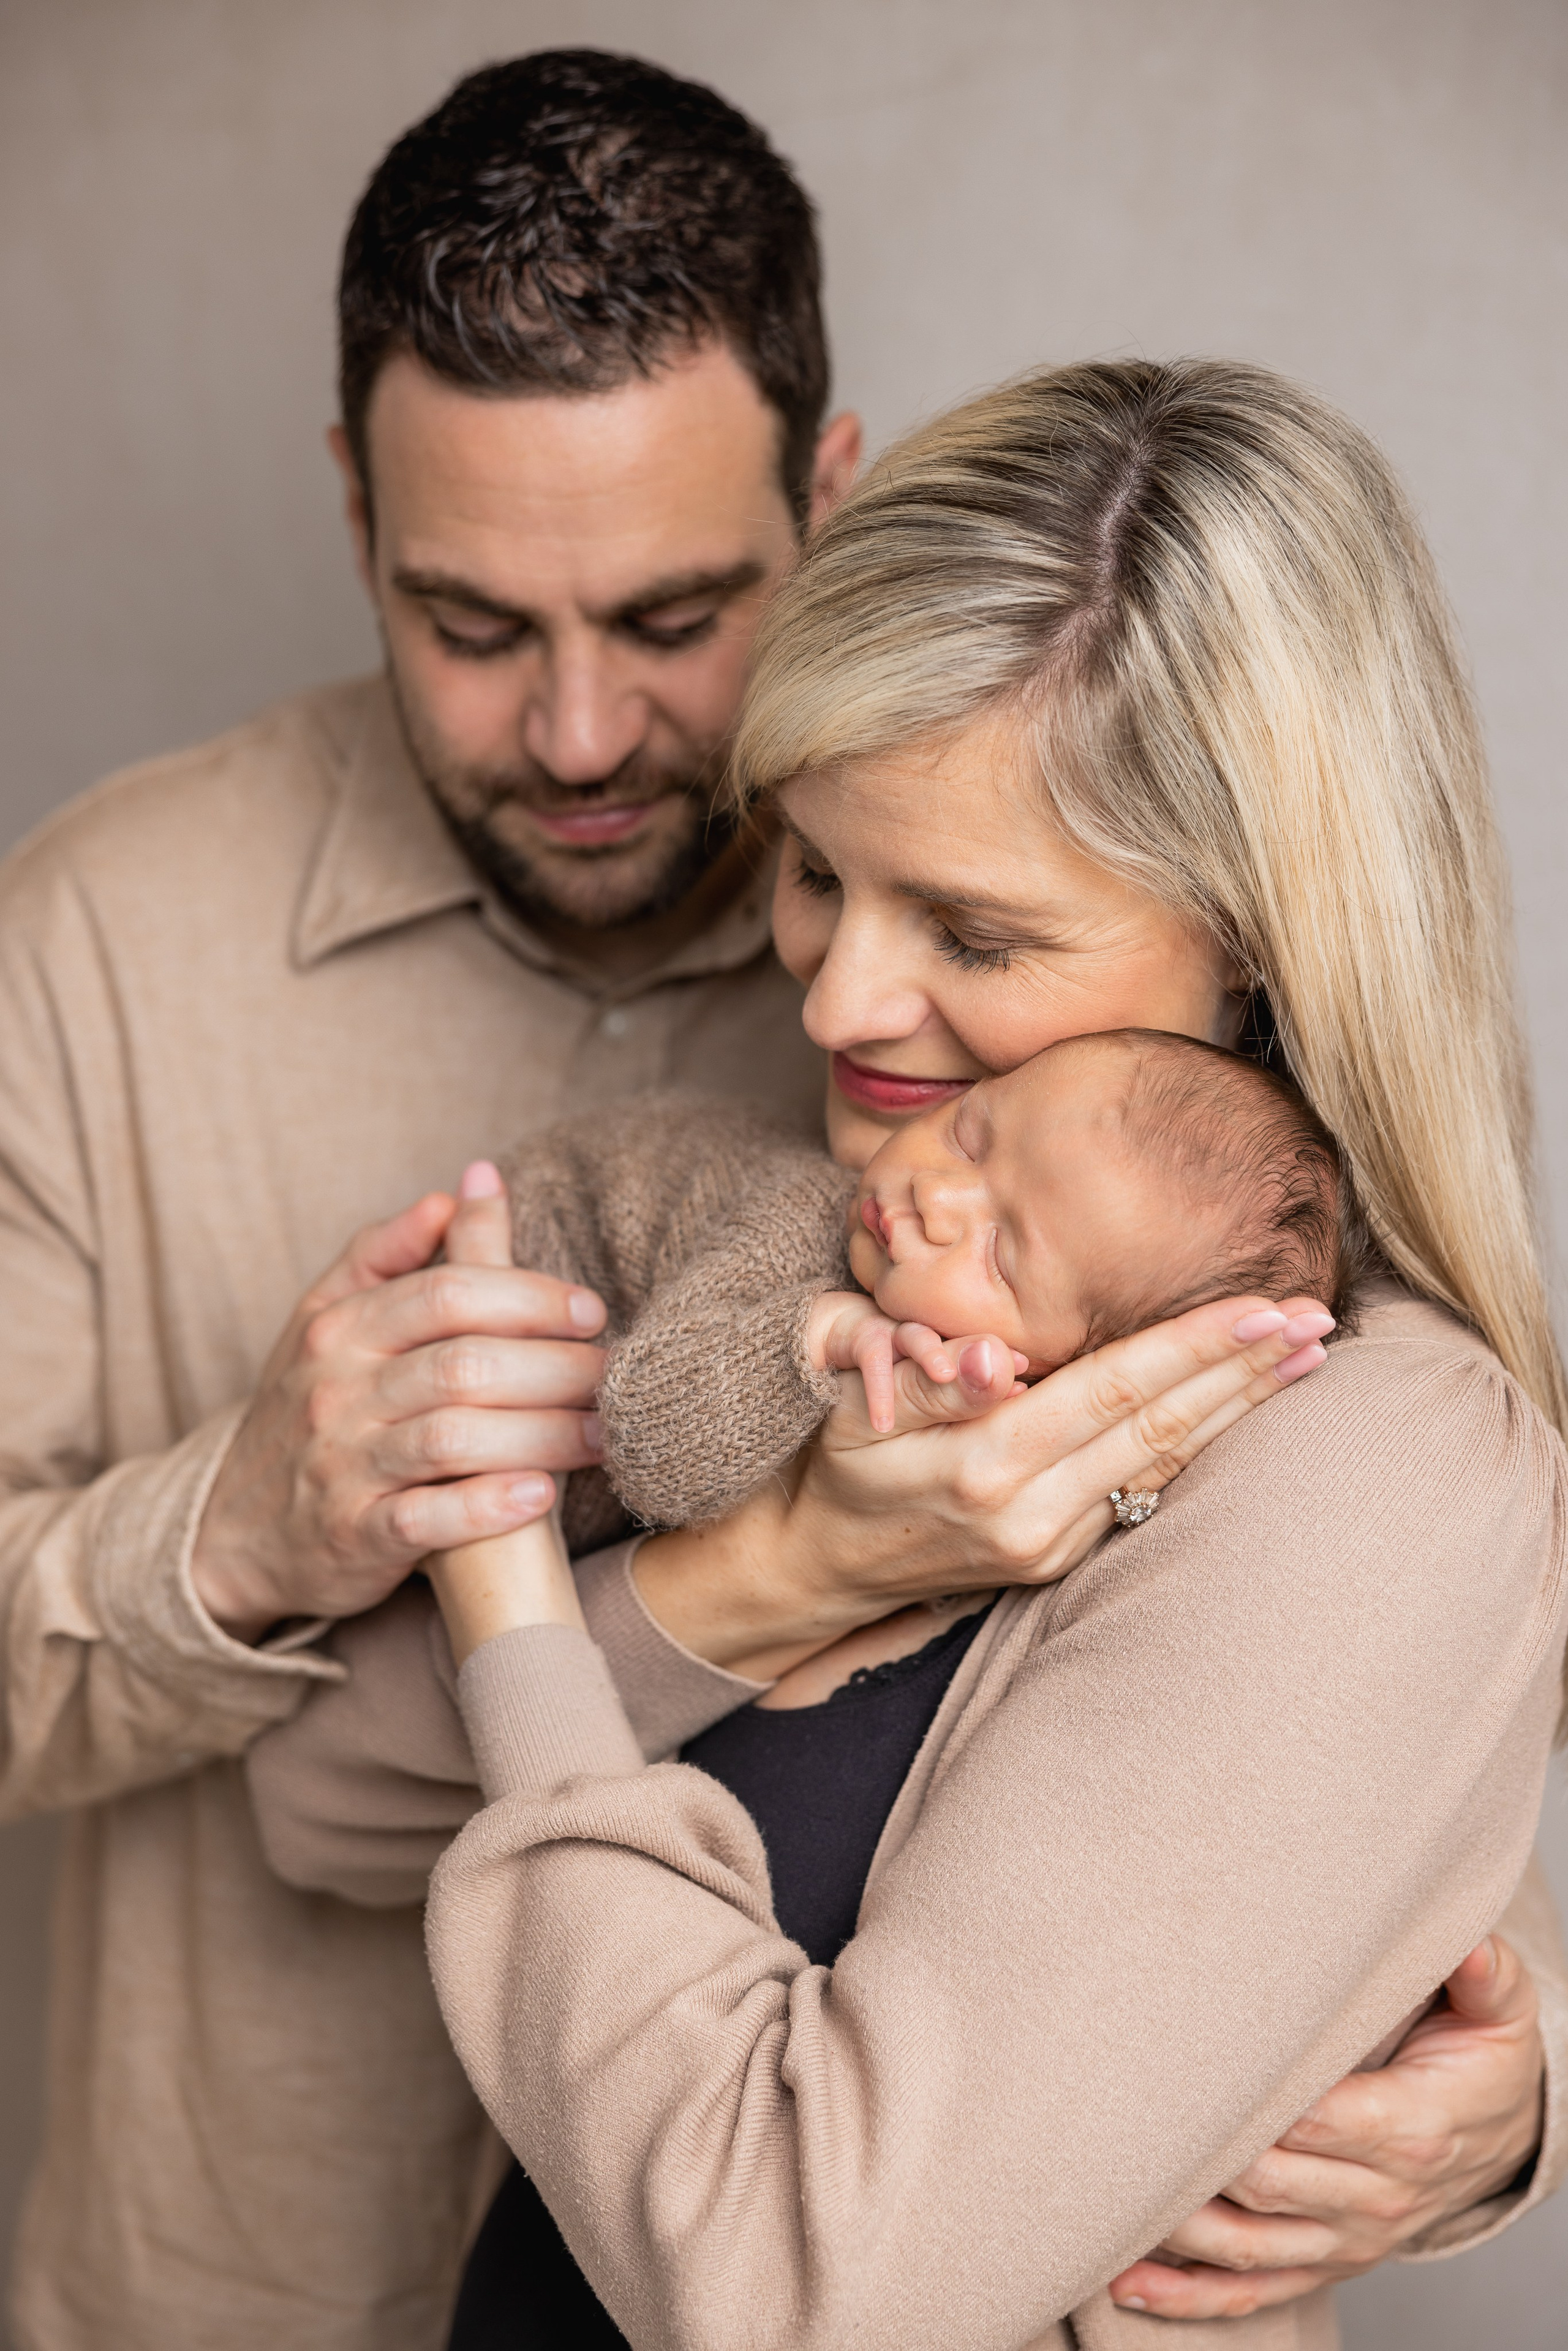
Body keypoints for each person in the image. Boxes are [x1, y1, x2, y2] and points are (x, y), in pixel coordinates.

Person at [0, 40, 1552, 2349]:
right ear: (352, 514)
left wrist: (1475, 2115)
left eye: (667, 621)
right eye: (473, 622)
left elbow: (854, 2229)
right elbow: (325, 1805)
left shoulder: (1301, 1380)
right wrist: (276, 1533)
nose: (839, 996)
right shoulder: (112, 937)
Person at [398, 359, 1568, 2347]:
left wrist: (511, 1593)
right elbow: (323, 1800)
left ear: (1261, 939)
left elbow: (803, 2283)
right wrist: (796, 1570)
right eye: (822, 871)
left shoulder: (1373, 1453)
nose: (844, 989)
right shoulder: (875, 1251)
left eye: (979, 932)